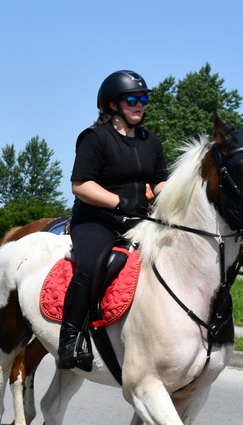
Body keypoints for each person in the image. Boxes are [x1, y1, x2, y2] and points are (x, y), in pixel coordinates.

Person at [58, 70, 168, 371]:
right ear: (111, 105)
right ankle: (70, 339)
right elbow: (80, 185)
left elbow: (159, 181)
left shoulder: (150, 141)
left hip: (138, 219)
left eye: (143, 99)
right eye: (132, 99)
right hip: (96, 219)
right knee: (92, 263)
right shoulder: (95, 138)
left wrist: (173, 196)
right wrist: (120, 202)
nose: (140, 104)